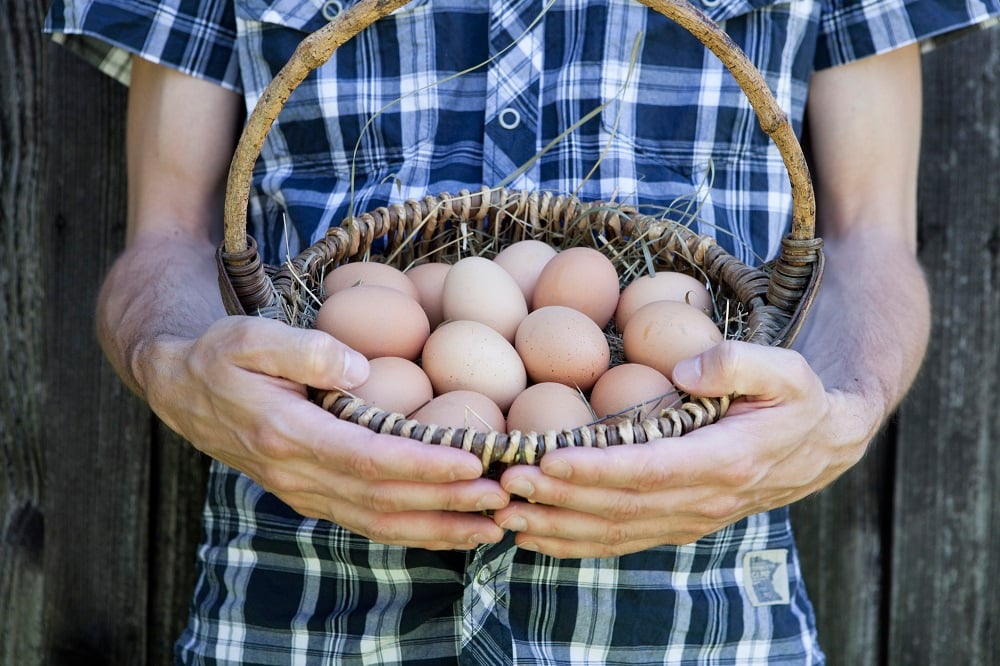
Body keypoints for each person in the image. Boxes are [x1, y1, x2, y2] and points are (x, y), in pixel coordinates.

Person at [45, 0, 998, 662]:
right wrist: (174, 366)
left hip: (694, 621)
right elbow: (165, 241)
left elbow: (871, 239)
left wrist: (838, 417)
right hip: (303, 609)